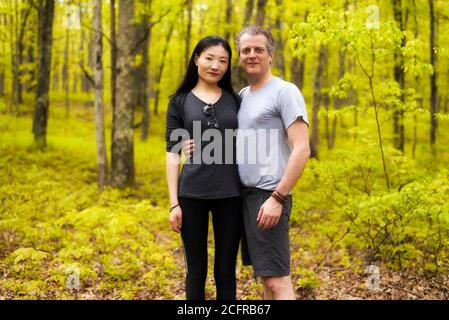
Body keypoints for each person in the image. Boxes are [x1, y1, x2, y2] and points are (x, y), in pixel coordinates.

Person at [235, 26, 310, 300]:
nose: (251, 54)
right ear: (239, 56)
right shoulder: (242, 96)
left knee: (278, 282)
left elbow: (302, 149)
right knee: (267, 281)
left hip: (270, 195)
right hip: (246, 197)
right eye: (246, 50)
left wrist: (278, 197)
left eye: (258, 49)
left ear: (270, 55)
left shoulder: (285, 91)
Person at [165, 36, 243, 300]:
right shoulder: (179, 101)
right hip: (192, 195)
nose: (215, 65)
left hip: (231, 195)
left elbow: (250, 139)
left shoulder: (236, 99)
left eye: (223, 60)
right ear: (196, 58)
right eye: (209, 58)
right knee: (195, 272)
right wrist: (174, 203)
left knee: (225, 272)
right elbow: (172, 153)